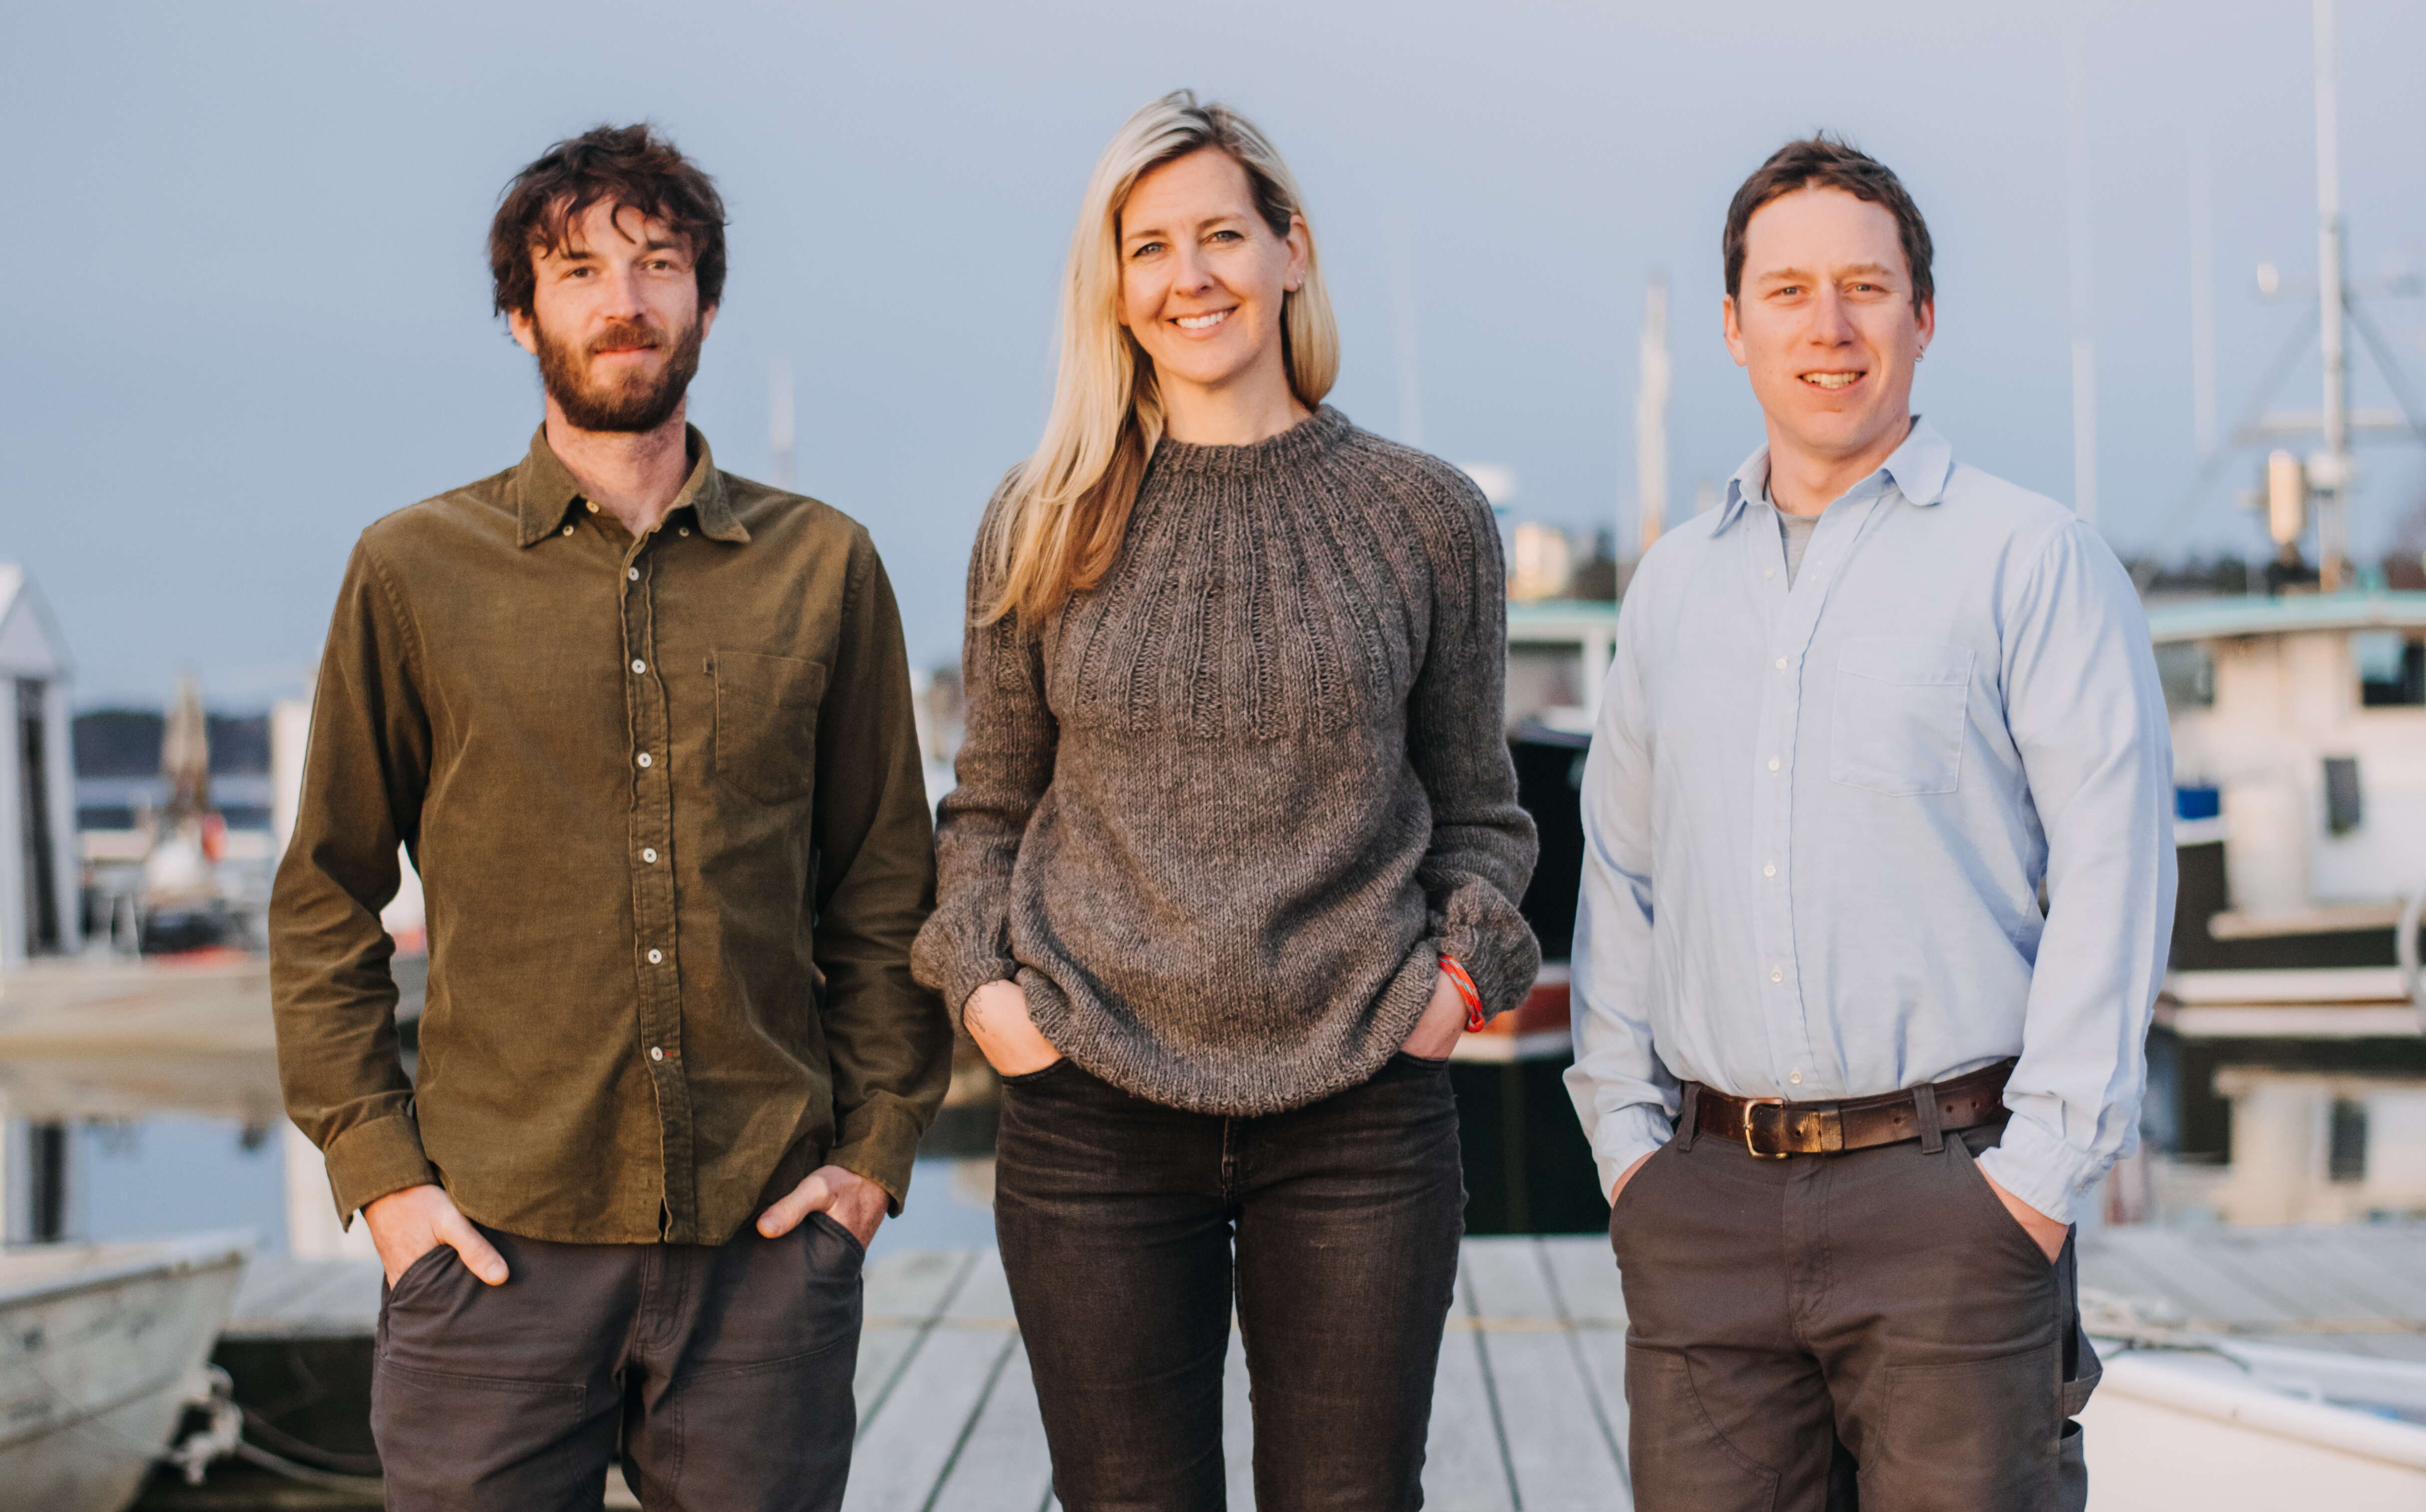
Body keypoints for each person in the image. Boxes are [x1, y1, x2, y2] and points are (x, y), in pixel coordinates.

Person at [270, 124, 949, 1512]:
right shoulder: (411, 572)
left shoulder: (827, 568)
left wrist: (871, 1159)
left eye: (658, 263)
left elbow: (888, 889)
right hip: (495, 1253)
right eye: (578, 269)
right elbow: (324, 895)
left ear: (704, 299)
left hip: (767, 1251)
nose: (623, 299)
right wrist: (387, 1180)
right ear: (521, 315)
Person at [911, 90, 1539, 1512]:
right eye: (1148, 248)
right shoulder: (1041, 519)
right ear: (1113, 287)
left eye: (1220, 237)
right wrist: (988, 998)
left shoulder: (1425, 515)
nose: (1187, 277)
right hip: (1090, 1106)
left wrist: (1452, 980)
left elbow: (1483, 812)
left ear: (1291, 252)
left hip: (1362, 1106)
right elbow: (989, 811)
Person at [1564, 134, 2174, 1511]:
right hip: (1703, 1205)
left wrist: (2032, 1188)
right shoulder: (1670, 588)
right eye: (1785, 291)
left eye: (1863, 286)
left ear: (1922, 314)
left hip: (1951, 1199)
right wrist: (1625, 1152)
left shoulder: (2031, 558)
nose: (1826, 327)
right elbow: (1625, 878)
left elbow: (2113, 871)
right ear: (1732, 326)